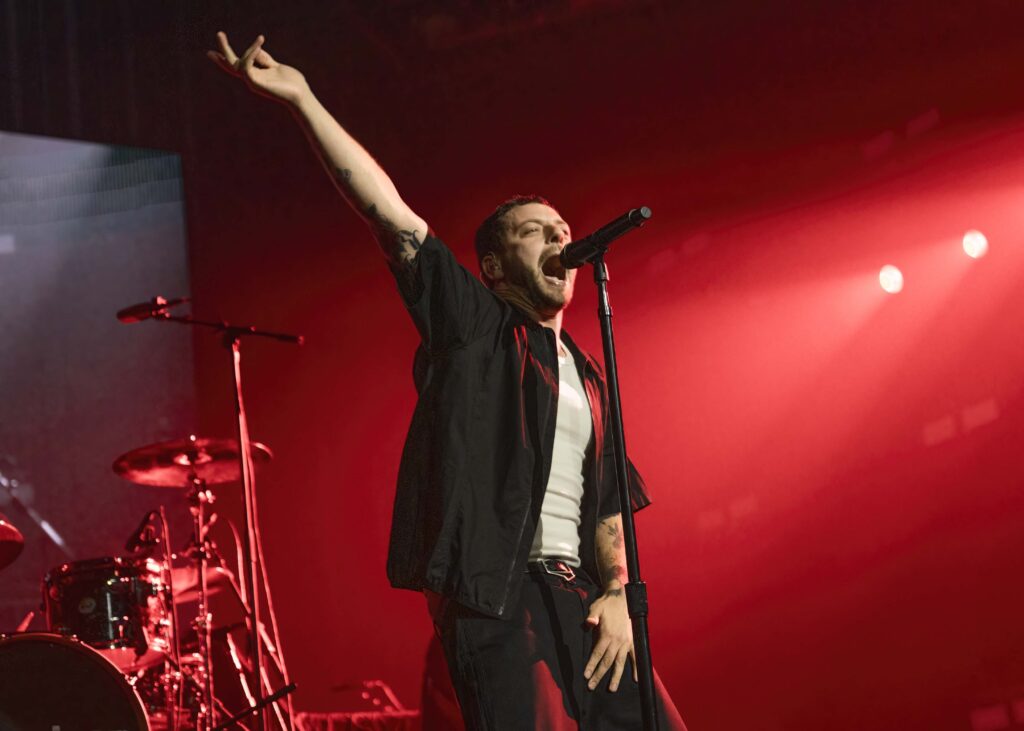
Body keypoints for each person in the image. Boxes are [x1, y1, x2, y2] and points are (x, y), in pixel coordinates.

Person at [208, 33, 686, 730]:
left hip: (584, 599)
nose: (559, 238)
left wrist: (617, 592)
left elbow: (609, 506)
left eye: (561, 227)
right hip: (497, 597)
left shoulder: (587, 371)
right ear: (492, 266)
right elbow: (391, 218)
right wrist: (302, 98)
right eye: (535, 231)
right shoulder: (474, 326)